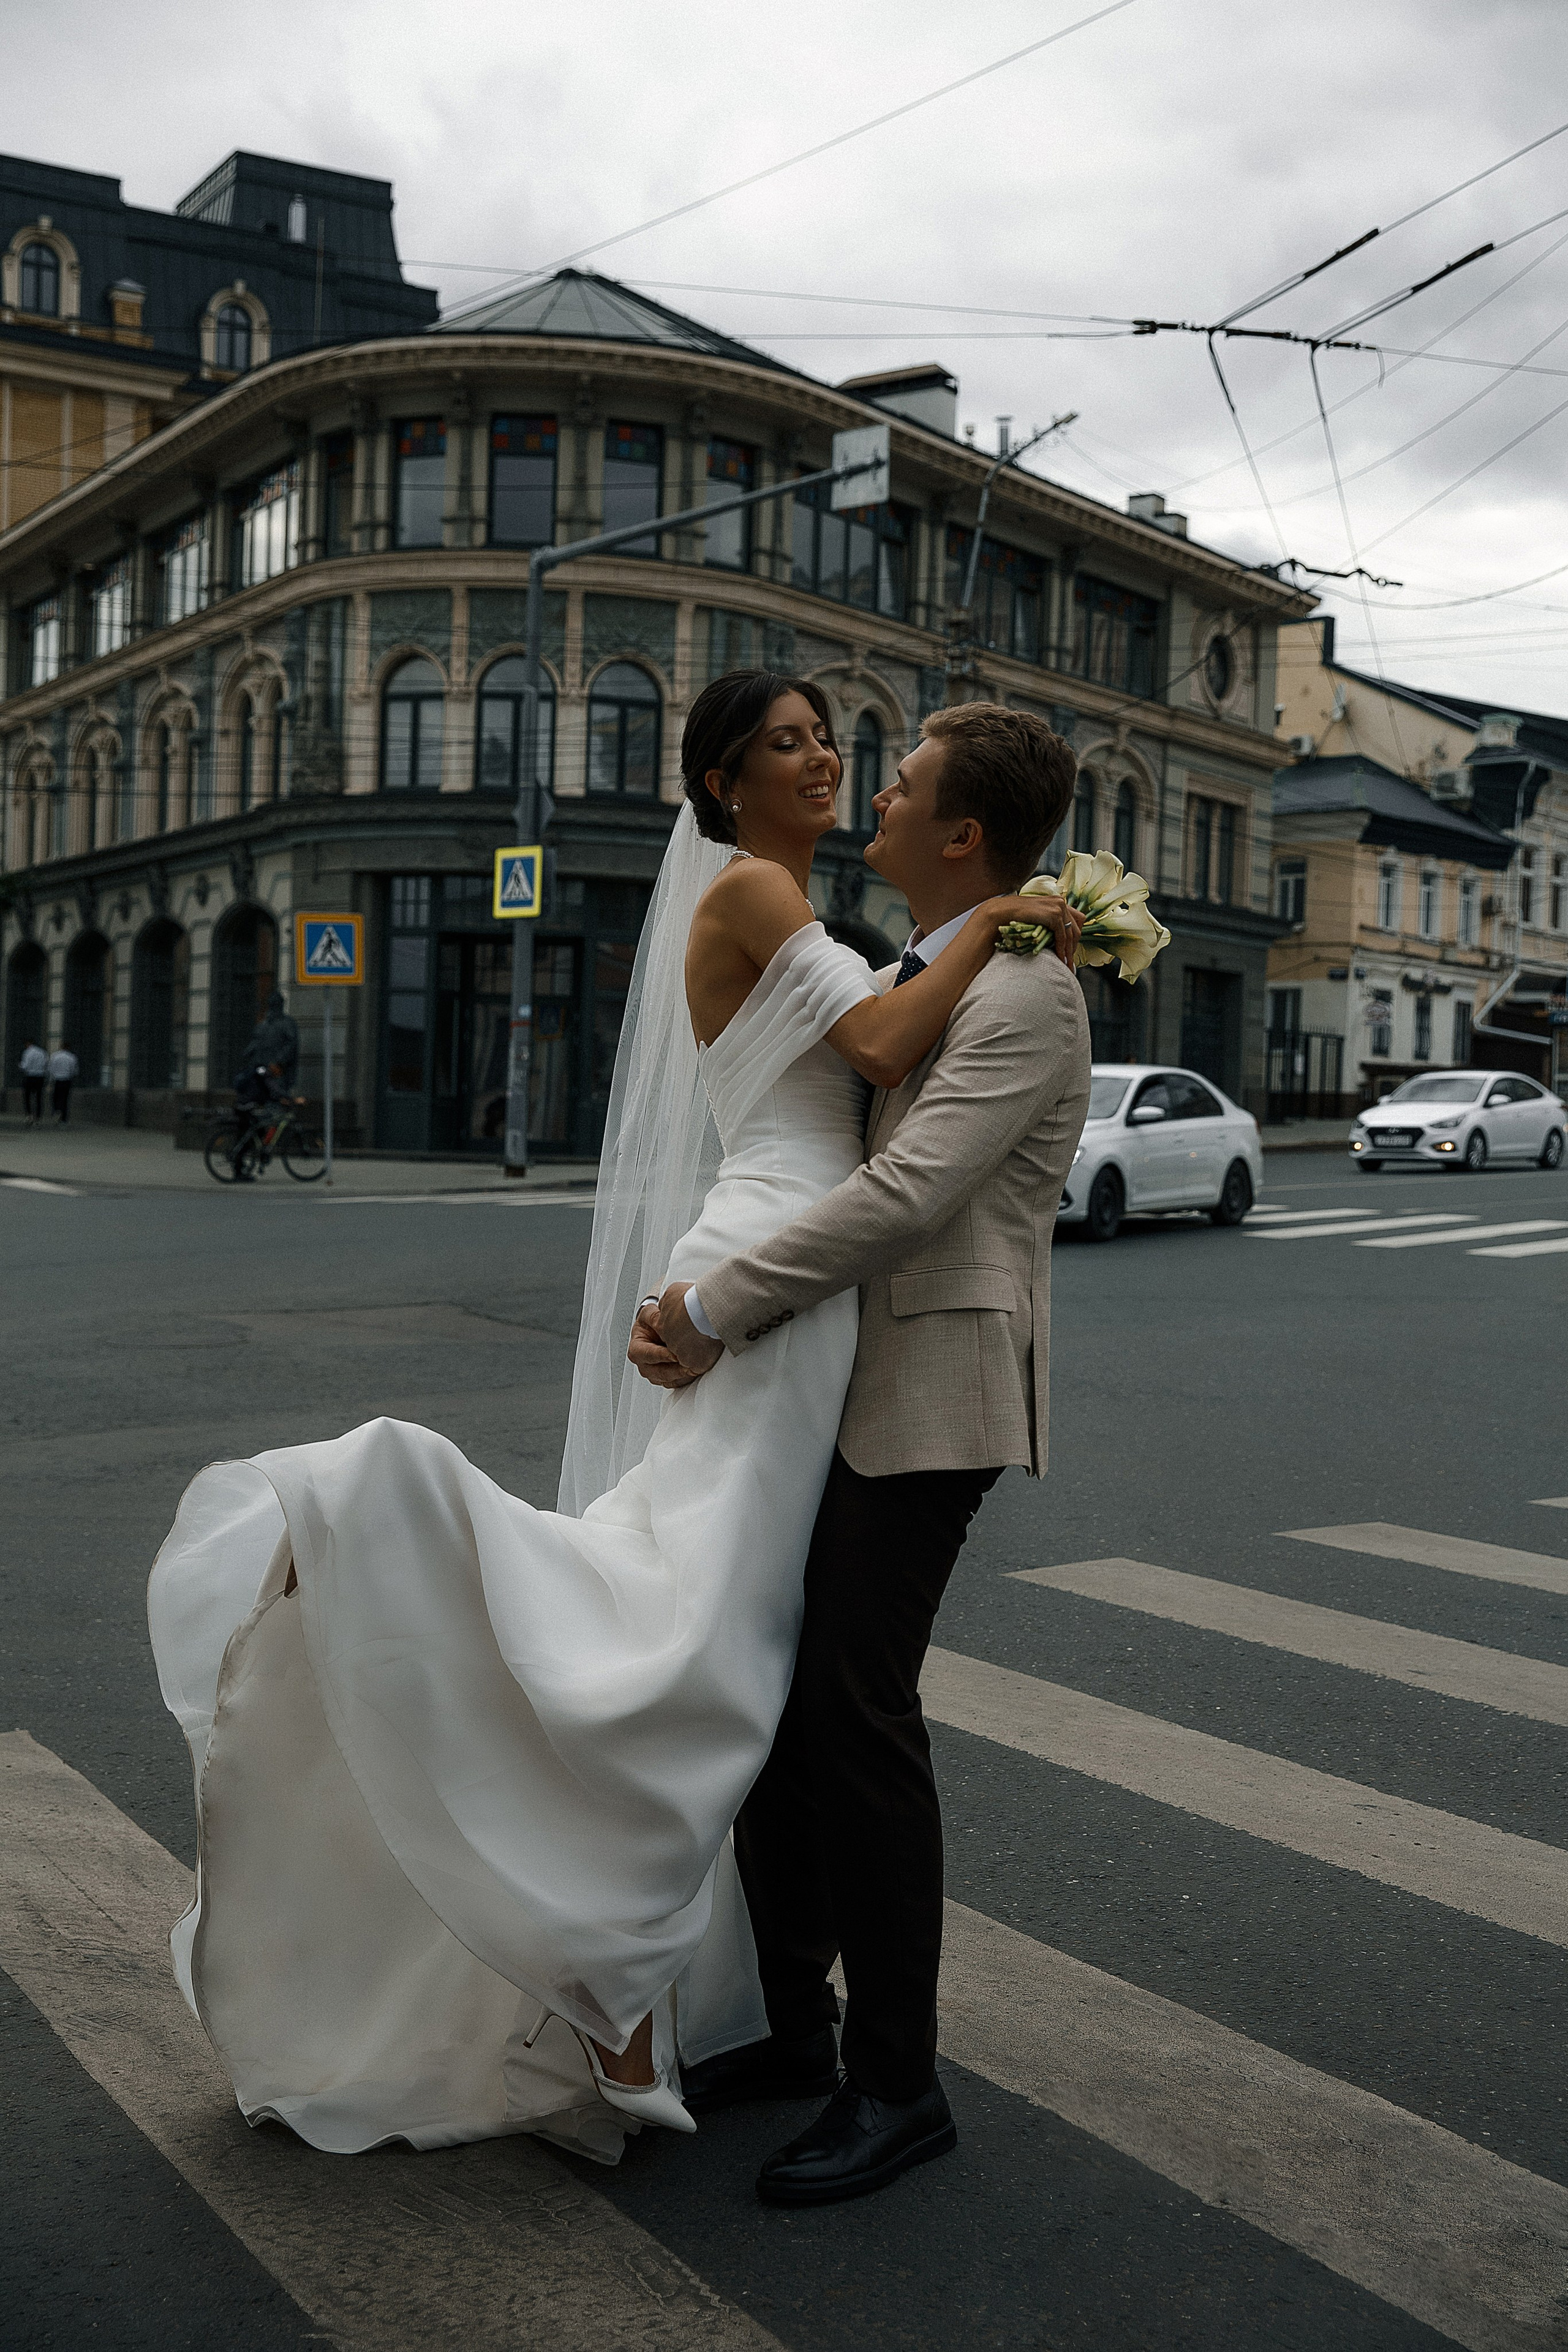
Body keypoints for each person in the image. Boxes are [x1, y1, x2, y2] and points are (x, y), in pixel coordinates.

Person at [146, 670, 1080, 2172]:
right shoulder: (768, 894)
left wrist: (1007, 928)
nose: (841, 764)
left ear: (959, 828)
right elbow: (881, 1059)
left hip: (804, 1305)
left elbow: (908, 1165)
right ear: (720, 782)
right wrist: (1008, 915)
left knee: (757, 1659)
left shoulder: (950, 953)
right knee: (711, 1639)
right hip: (763, 1286)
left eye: (854, 749)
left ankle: (763, 2016)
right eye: (793, 742)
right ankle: (405, 1542)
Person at [633, 701, 1090, 2205]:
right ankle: (788, 2022)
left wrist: (712, 1300)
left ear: (959, 833)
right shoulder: (923, 959)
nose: (866, 791)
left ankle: (897, 2084)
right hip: (836, 1377)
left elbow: (899, 1197)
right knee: (777, 1699)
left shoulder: (1023, 991)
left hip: (928, 1394)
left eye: (895, 782)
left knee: (854, 1710)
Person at [238, 990, 299, 1092]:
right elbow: (256, 1042)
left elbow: (292, 1044)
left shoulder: (287, 1023)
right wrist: (247, 1055)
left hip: (278, 1068)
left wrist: (279, 1061)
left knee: (276, 1093)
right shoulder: (264, 1025)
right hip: (262, 1066)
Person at [18, 1039, 48, 1125]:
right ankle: (38, 1118)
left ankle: (29, 1115)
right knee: (39, 1098)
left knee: (27, 1097)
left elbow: (25, 1066)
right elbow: (46, 1064)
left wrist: (20, 1065)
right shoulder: (42, 1052)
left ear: (27, 1044)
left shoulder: (27, 1052)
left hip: (30, 1076)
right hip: (40, 1077)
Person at [48, 1041, 79, 1125]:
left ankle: (57, 1110)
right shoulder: (72, 1057)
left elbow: (51, 1069)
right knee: (65, 1099)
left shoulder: (55, 1056)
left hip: (57, 1080)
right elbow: (74, 1071)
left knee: (55, 1097)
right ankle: (64, 1119)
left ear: (61, 1047)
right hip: (67, 1080)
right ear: (68, 1048)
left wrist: (51, 1080)